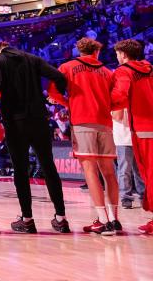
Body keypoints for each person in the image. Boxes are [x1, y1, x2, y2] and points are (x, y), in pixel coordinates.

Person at [0, 41, 70, 233]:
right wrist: (56, 96)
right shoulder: (33, 58)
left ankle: (27, 219)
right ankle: (61, 218)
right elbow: (58, 76)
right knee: (49, 166)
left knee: (20, 171)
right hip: (39, 118)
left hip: (15, 120)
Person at [48, 38, 119, 235]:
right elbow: (116, 97)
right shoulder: (107, 71)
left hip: (82, 121)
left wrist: (67, 103)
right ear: (96, 52)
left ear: (79, 50)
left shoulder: (67, 67)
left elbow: (52, 91)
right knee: (109, 172)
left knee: (90, 171)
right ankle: (114, 218)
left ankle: (103, 221)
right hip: (105, 122)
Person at [111, 38, 153, 234]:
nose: (117, 57)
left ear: (124, 55)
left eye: (118, 54)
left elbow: (120, 96)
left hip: (143, 129)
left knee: (148, 175)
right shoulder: (150, 68)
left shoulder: (123, 71)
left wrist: (102, 102)